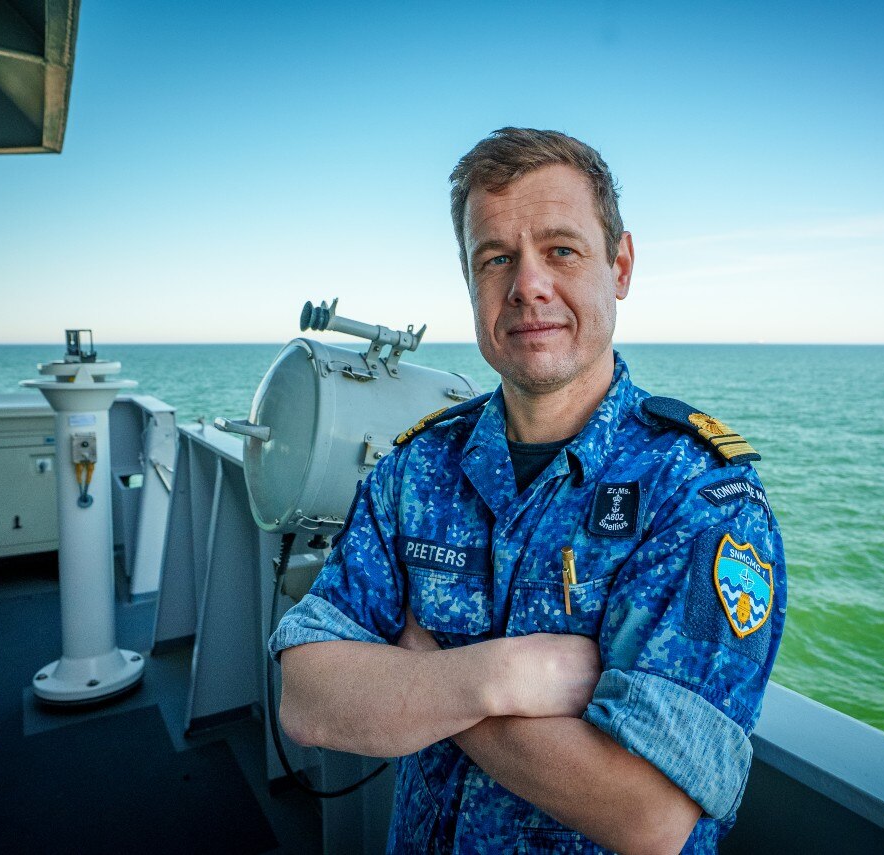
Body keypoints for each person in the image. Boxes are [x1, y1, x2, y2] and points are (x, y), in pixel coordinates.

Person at [270, 127, 787, 853]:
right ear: (472, 282)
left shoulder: (699, 494)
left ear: (622, 265)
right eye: (497, 258)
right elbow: (308, 697)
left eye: (561, 250)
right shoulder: (417, 470)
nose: (528, 286)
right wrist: (503, 674)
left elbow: (648, 811)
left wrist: (427, 673)